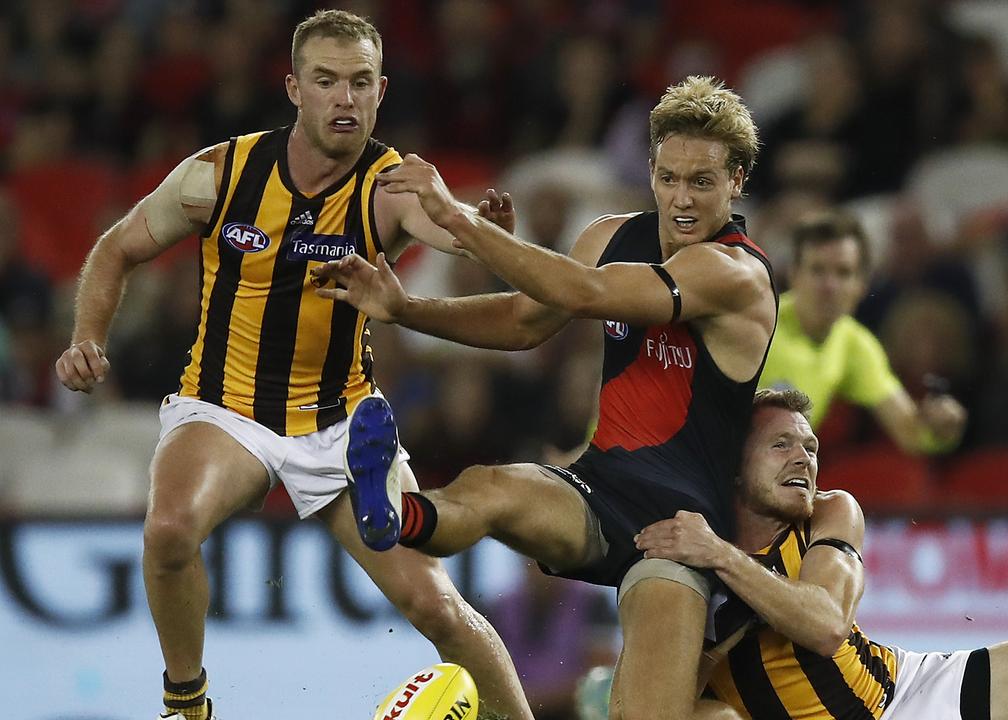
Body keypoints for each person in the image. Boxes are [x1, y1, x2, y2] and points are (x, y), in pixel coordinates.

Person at [53, 10, 531, 720]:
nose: (345, 98)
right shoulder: (221, 173)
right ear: (293, 88)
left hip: (340, 425)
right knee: (169, 531)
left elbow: (458, 237)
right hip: (224, 408)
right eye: (327, 81)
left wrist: (475, 229)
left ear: (381, 90)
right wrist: (86, 335)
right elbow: (118, 246)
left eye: (360, 83)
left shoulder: (392, 186)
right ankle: (186, 704)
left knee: (436, 607)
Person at [313, 75, 778, 719]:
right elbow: (523, 323)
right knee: (491, 488)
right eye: (668, 177)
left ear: (738, 181)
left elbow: (584, 295)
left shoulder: (736, 273)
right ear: (649, 170)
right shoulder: (610, 237)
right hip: (597, 486)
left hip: (682, 529)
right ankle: (397, 517)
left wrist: (459, 222)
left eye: (702, 182)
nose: (682, 199)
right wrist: (403, 307)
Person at [634, 388, 1008, 719]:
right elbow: (662, 704)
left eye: (812, 448)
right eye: (781, 446)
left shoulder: (831, 511)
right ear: (731, 465)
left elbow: (825, 625)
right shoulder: (684, 561)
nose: (803, 459)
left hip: (908, 694)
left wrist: (725, 561)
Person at [760, 210, 967, 454]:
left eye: (843, 272)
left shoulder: (853, 344)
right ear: (793, 274)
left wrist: (943, 429)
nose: (830, 286)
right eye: (817, 270)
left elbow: (912, 434)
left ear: (862, 285)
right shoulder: (760, 325)